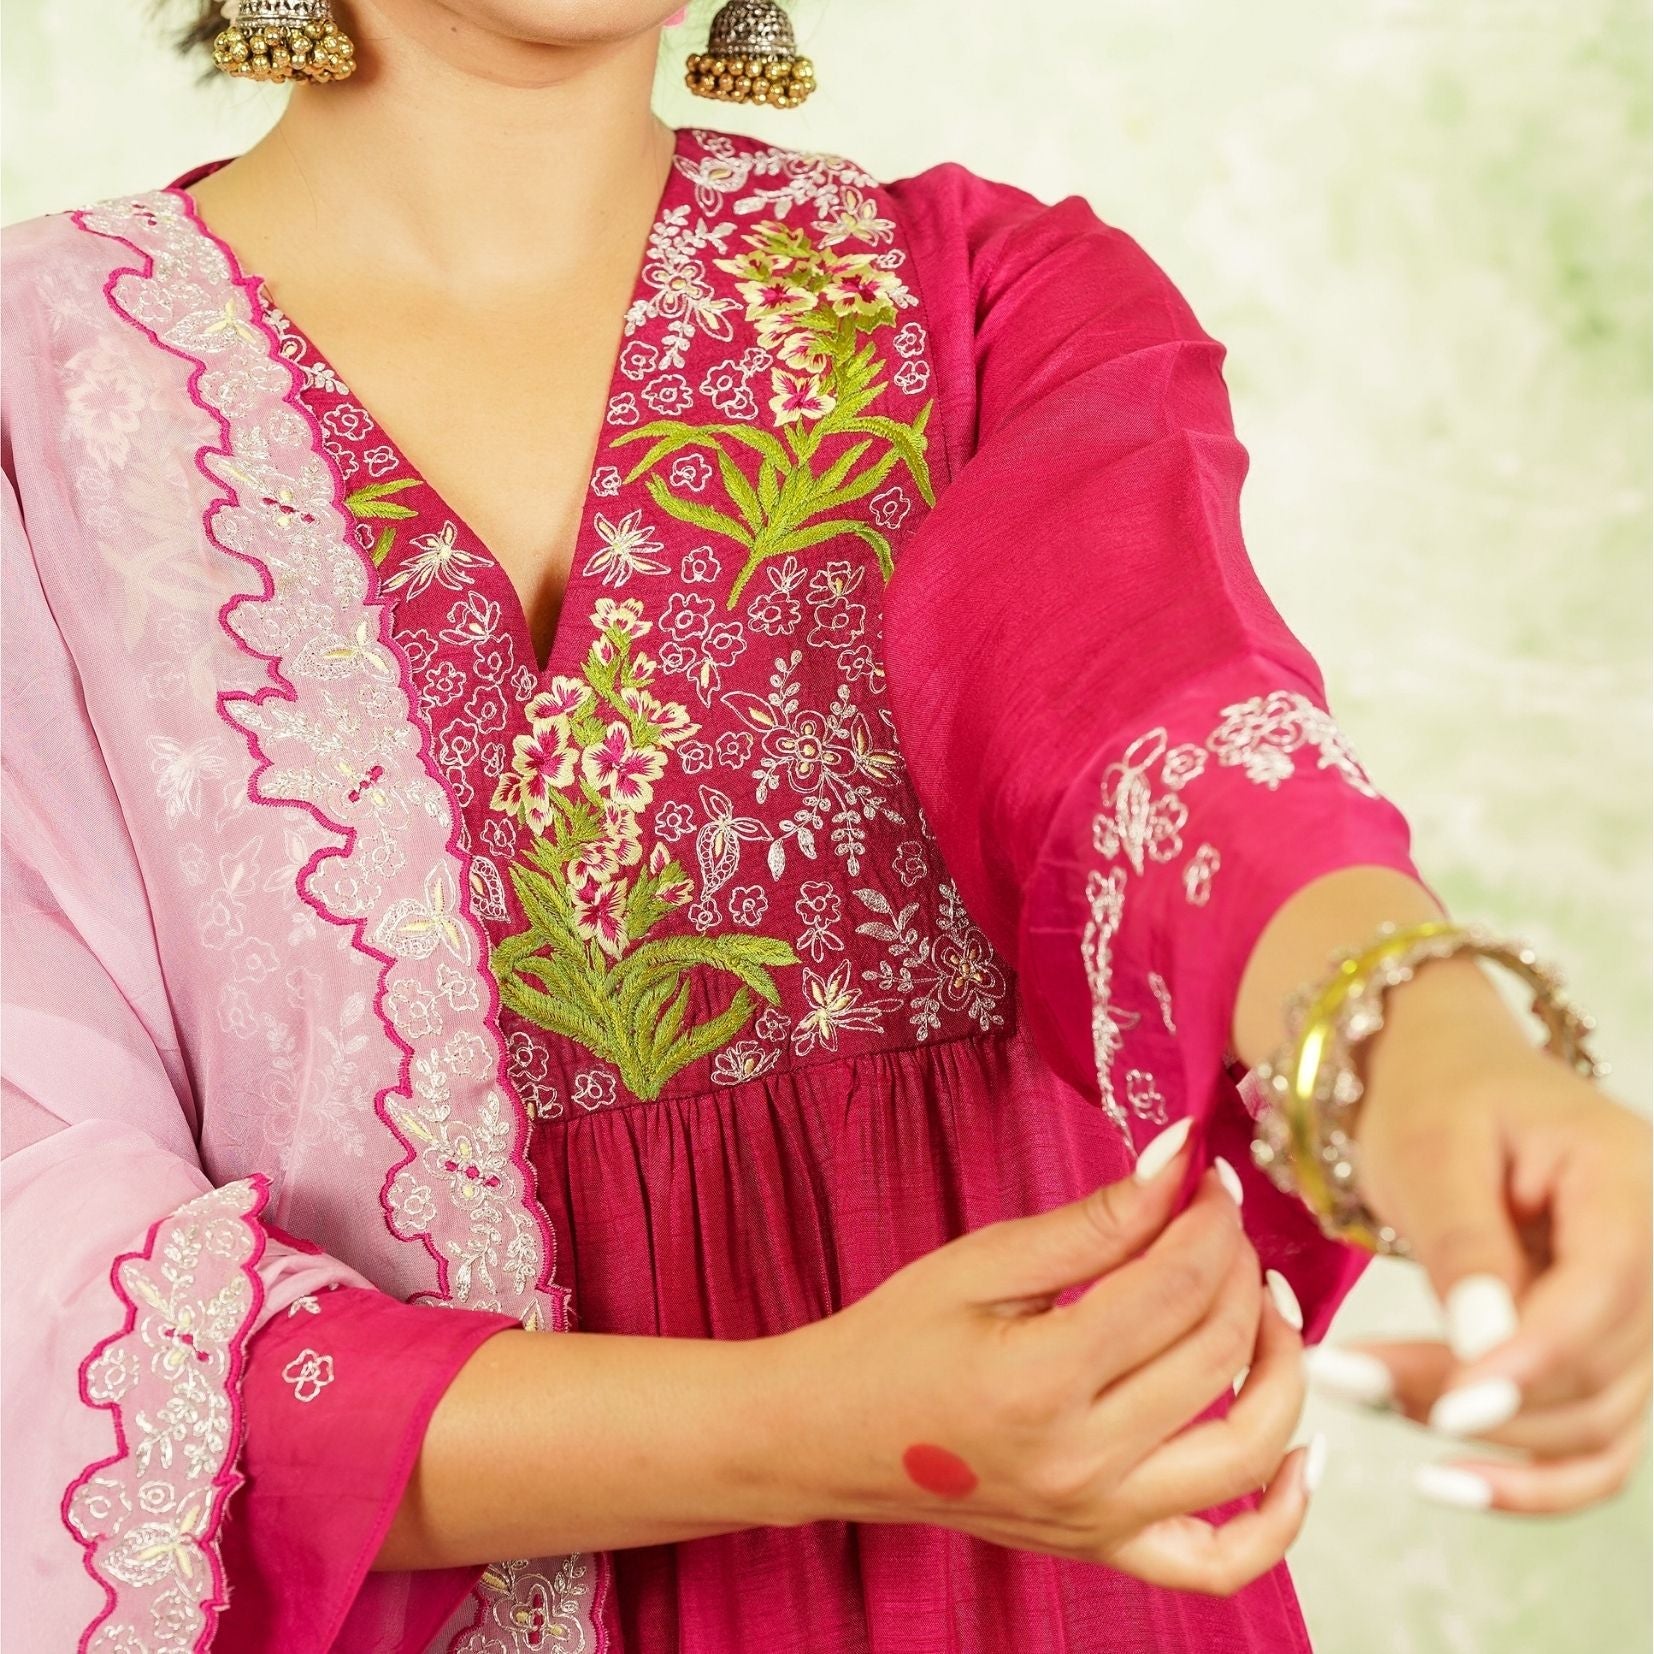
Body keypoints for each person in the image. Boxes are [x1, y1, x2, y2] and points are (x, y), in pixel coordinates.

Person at [2, 3, 1647, 1651]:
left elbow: (1166, 734)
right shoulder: (42, 405)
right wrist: (808, 1427)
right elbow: (49, 1269)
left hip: (1031, 1602)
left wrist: (1426, 1048)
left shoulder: (982, 308)